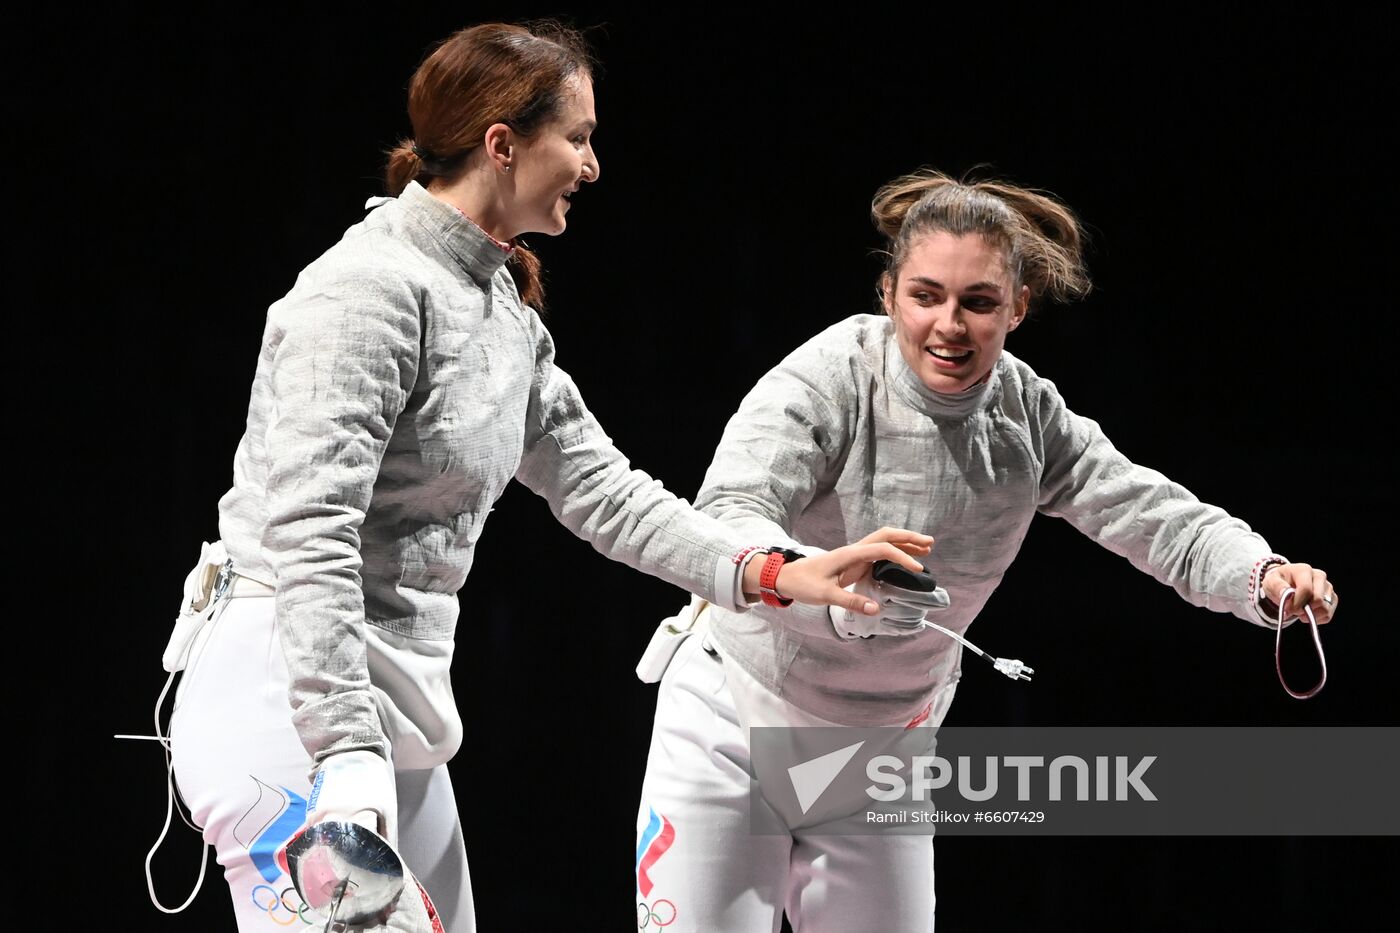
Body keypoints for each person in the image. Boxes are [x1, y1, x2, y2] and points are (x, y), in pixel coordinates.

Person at [155, 23, 930, 933]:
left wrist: (777, 572)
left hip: (388, 714)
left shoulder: (498, 312)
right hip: (286, 702)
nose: (593, 166)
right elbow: (311, 528)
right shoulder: (366, 288)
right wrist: (344, 751)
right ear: (502, 142)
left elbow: (604, 491)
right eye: (580, 136)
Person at [631, 168, 1339, 932]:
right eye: (925, 296)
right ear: (888, 292)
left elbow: (1154, 514)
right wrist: (814, 579)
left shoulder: (1029, 417)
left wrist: (1261, 574)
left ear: (1018, 306)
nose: (949, 326)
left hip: (879, 757)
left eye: (978, 302)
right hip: (733, 715)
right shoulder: (829, 377)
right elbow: (730, 509)